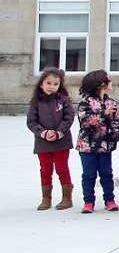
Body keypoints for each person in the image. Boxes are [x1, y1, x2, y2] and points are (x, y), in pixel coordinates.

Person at [27, 67, 75, 211]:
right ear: (41, 84)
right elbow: (31, 122)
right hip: (43, 142)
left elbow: (69, 117)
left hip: (61, 141)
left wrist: (59, 131)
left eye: (55, 84)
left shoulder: (64, 100)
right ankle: (46, 198)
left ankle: (67, 198)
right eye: (48, 83)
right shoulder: (36, 102)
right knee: (45, 169)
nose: (52, 87)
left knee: (62, 168)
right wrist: (43, 133)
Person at [76, 69, 119, 213]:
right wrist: (103, 114)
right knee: (89, 174)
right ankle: (88, 201)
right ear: (101, 84)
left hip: (105, 146)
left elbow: (115, 120)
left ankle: (110, 199)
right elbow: (85, 122)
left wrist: (115, 134)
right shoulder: (85, 103)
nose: (111, 82)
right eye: (109, 79)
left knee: (107, 173)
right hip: (87, 146)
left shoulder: (111, 101)